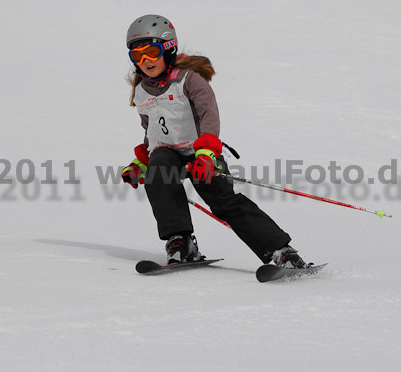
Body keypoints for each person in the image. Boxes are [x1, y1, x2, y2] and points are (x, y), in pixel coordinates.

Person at [121, 14, 309, 268]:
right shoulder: (142, 90)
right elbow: (152, 132)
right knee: (158, 170)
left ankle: (280, 251)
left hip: (202, 152)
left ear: (168, 49)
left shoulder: (188, 80)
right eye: (137, 55)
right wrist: (139, 164)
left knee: (223, 202)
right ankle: (180, 241)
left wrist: (207, 155)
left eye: (151, 52)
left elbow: (209, 116)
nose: (145, 61)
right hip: (168, 153)